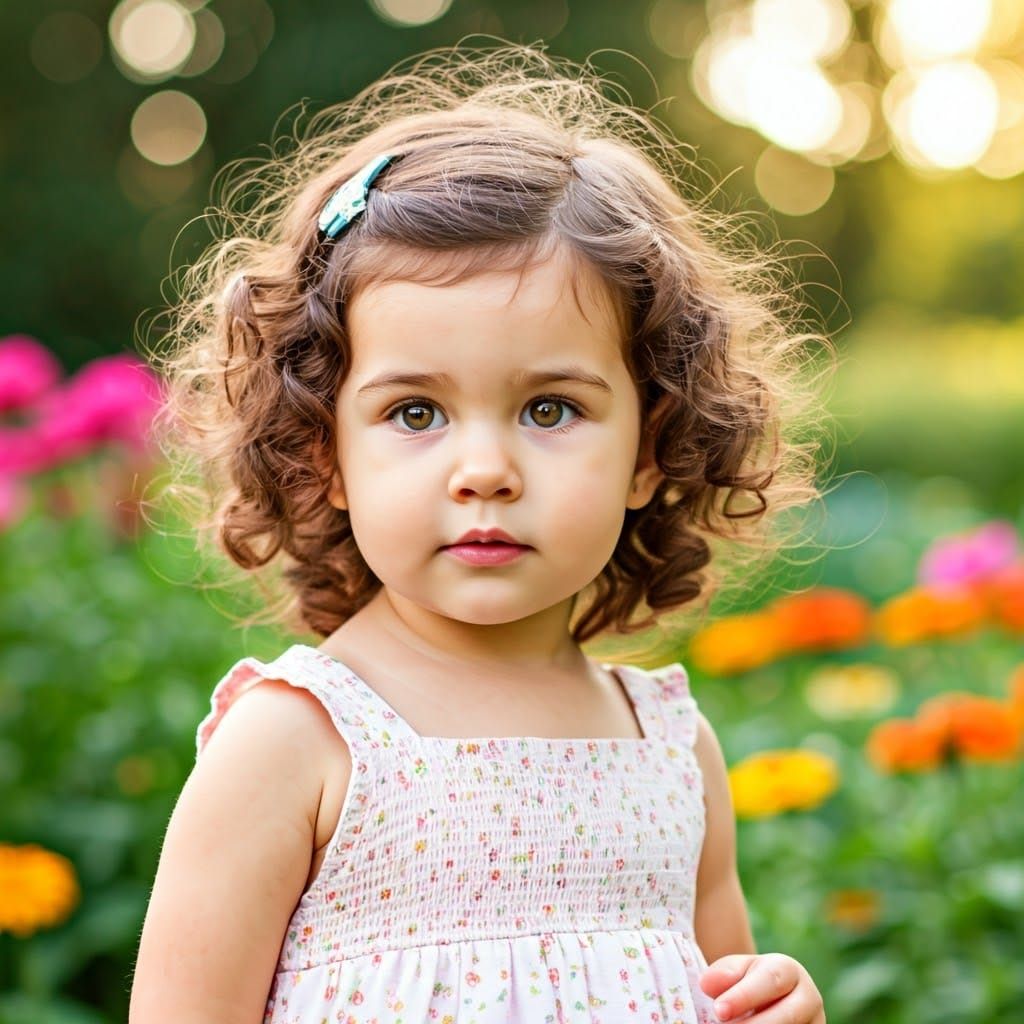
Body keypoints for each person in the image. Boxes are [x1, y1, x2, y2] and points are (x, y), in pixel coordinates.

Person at [130, 42, 833, 1024]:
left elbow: (720, 987)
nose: (486, 469)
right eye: (414, 412)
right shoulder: (296, 744)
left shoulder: (671, 749)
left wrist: (769, 1004)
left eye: (550, 409)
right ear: (324, 452)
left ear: (650, 445)